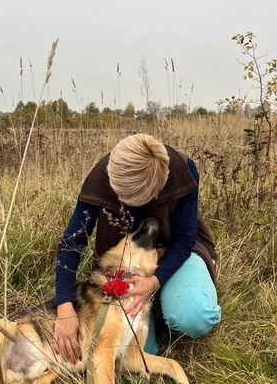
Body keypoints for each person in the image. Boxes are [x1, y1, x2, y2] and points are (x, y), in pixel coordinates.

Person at [52, 134, 221, 364]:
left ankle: (183, 296)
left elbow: (184, 240)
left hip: (178, 254)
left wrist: (153, 282)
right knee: (139, 354)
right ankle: (160, 312)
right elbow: (72, 244)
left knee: (194, 317)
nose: (116, 196)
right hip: (126, 264)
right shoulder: (100, 179)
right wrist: (64, 308)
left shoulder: (183, 170)